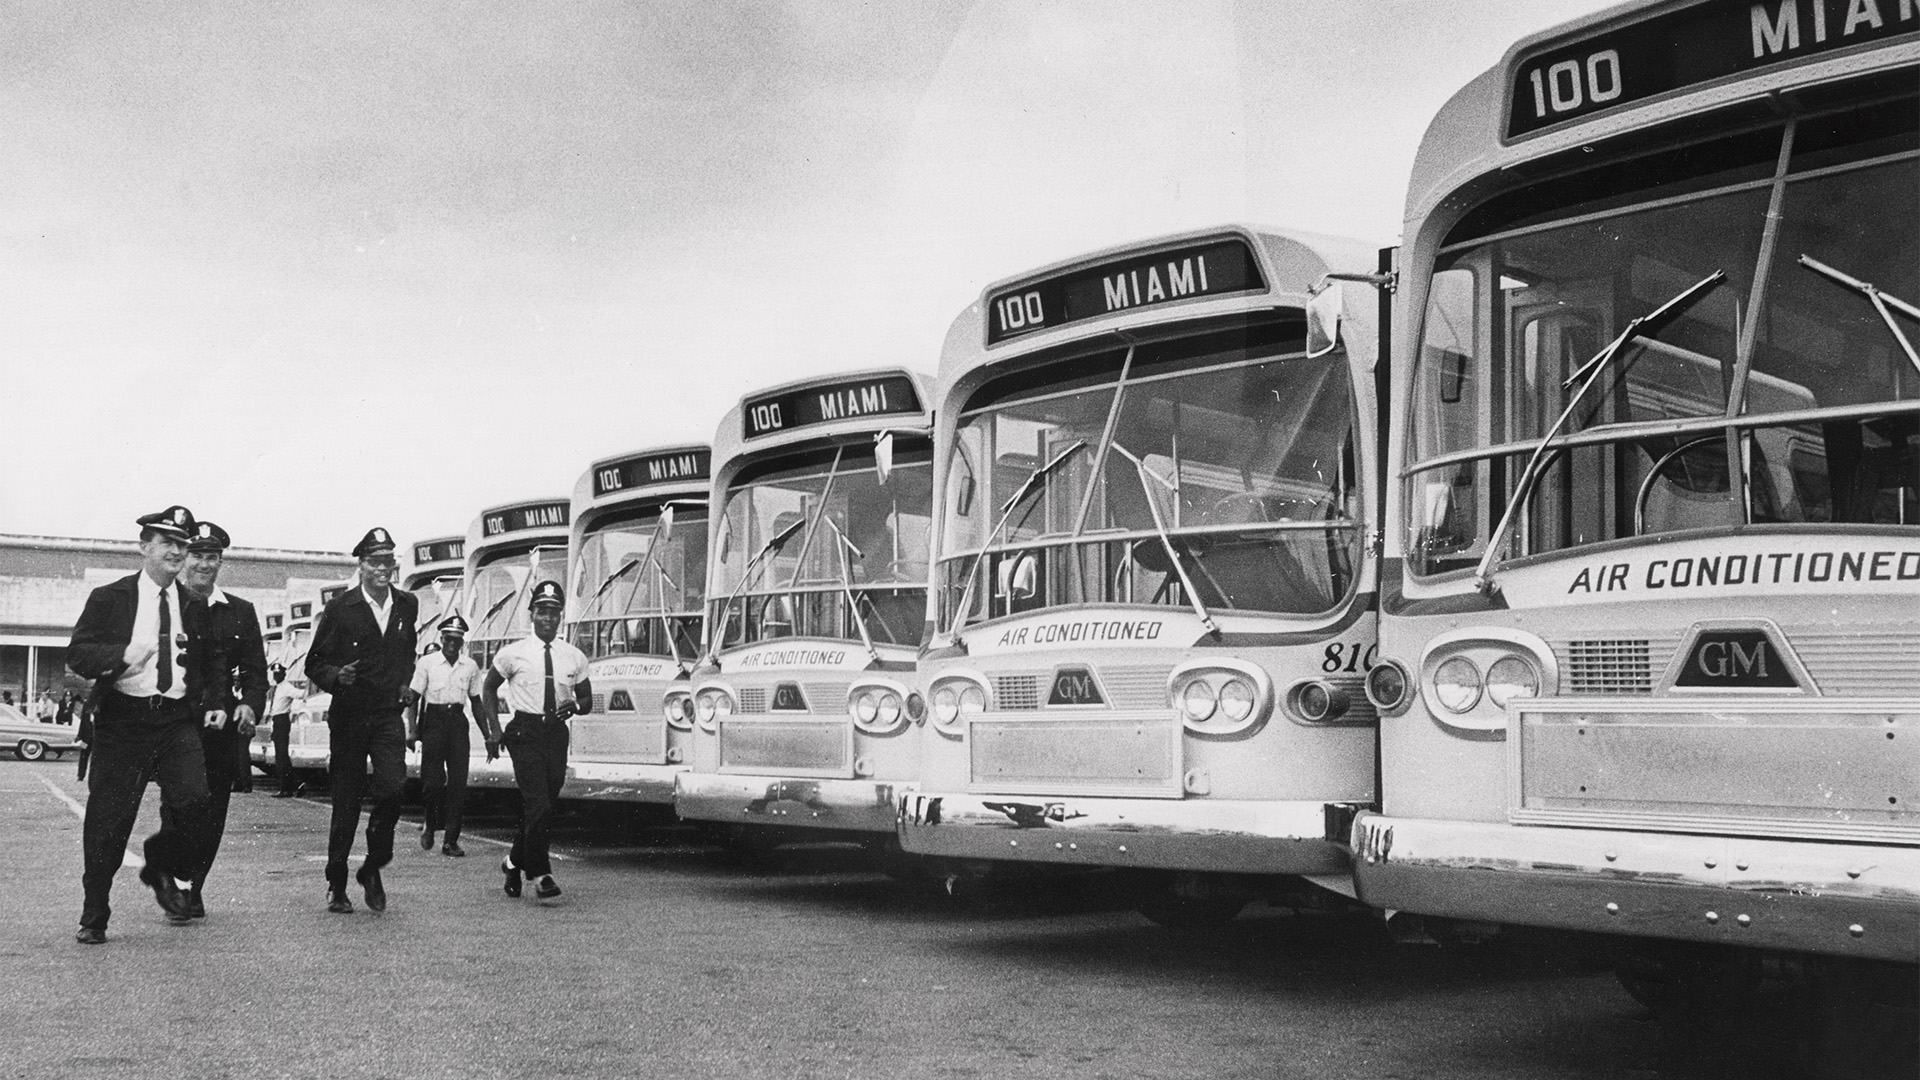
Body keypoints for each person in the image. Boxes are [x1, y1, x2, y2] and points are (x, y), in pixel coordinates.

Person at [65, 505, 217, 944]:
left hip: (174, 721)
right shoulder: (110, 598)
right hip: (123, 721)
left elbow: (209, 662)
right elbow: (78, 655)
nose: (177, 552)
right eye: (167, 543)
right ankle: (95, 912)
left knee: (195, 803)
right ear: (144, 547)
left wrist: (214, 700)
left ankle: (158, 861)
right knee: (109, 822)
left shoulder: (194, 604)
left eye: (182, 545)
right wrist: (123, 655)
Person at [304, 528, 417, 914]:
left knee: (394, 788)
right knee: (347, 802)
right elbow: (314, 662)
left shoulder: (407, 604)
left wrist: (405, 683)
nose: (383, 569)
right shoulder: (341, 608)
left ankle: (372, 866)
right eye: (375, 562)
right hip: (350, 715)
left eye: (389, 562)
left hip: (387, 714)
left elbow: (408, 652)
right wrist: (337, 677)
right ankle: (337, 884)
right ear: (361, 566)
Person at [173, 521, 269, 918]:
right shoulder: (168, 604)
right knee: (179, 805)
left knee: (213, 810)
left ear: (220, 562)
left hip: (221, 728)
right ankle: (178, 881)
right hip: (176, 722)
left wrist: (248, 704)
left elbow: (255, 672)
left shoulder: (240, 612)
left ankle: (194, 885)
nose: (204, 564)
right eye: (196, 555)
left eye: (211, 557)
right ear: (183, 558)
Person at [481, 580, 590, 901]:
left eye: (553, 612)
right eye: (542, 611)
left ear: (560, 617)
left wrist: (576, 706)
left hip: (556, 733)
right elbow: (488, 689)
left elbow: (586, 700)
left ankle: (513, 863)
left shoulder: (573, 656)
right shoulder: (513, 653)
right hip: (524, 733)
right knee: (538, 804)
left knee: (542, 807)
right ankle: (542, 875)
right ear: (531, 614)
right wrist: (494, 730)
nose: (547, 618)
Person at [403, 615, 485, 857]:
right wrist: (411, 730)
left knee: (458, 783)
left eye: (457, 640)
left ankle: (451, 840)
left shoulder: (470, 666)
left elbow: (477, 701)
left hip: (458, 724)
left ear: (462, 643)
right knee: (432, 783)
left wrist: (489, 734)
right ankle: (430, 822)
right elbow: (413, 699)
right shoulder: (427, 663)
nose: (452, 644)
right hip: (434, 724)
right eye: (448, 638)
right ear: (441, 638)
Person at [265, 661, 300, 797]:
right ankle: (294, 785)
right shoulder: (277, 688)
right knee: (280, 756)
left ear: (284, 674)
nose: (276, 676)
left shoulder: (287, 687)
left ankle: (287, 787)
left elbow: (300, 694)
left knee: (281, 756)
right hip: (276, 721)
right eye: (274, 673)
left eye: (279, 674)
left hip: (282, 720)